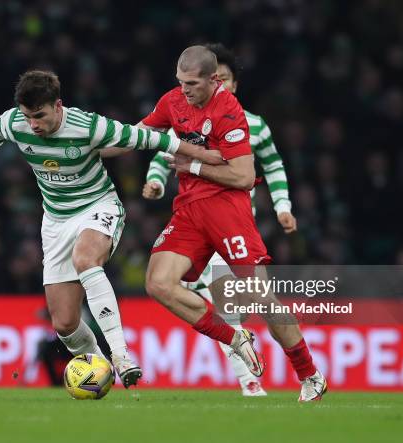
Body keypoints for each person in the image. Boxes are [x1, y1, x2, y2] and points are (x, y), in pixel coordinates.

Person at [0, 70, 222, 388]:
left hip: (98, 206)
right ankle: (99, 371)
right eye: (27, 117)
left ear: (58, 106)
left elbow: (151, 138)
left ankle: (121, 356)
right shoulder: (13, 122)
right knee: (64, 323)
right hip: (56, 220)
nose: (33, 124)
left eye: (39, 116)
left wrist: (202, 154)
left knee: (86, 259)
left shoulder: (89, 125)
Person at [140, 46, 327, 401]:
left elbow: (251, 174)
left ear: (222, 82)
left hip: (231, 214)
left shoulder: (239, 116)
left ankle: (309, 373)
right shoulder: (174, 103)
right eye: (181, 83)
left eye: (193, 83)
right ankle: (239, 348)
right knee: (160, 283)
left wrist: (283, 205)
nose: (185, 90)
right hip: (191, 211)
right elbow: (153, 144)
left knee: (261, 297)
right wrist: (93, 138)